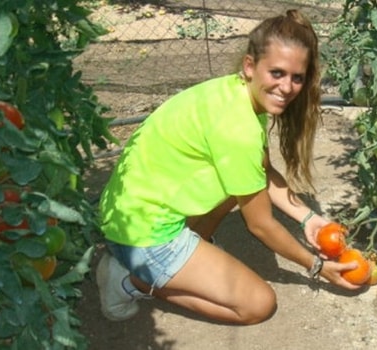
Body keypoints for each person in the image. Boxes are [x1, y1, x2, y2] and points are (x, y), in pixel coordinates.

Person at [96, 9, 361, 324]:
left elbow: (260, 170)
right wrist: (316, 266)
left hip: (127, 216)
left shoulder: (235, 93)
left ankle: (189, 256)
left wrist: (307, 218)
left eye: (297, 77)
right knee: (258, 305)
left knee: (242, 185)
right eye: (277, 73)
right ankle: (129, 281)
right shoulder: (238, 128)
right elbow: (261, 226)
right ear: (250, 66)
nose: (288, 87)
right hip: (143, 240)